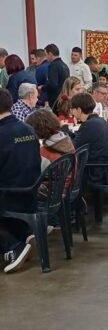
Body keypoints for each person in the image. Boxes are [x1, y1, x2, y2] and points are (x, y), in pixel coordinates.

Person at [0, 87, 41, 273]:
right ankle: (24, 233)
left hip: (10, 193)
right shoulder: (28, 128)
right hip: (31, 190)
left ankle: (12, 246)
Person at [69, 93, 108, 164]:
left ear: (79, 110)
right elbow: (81, 137)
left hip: (92, 168)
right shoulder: (101, 120)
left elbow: (72, 147)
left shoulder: (88, 125)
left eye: (72, 108)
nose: (71, 111)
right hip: (104, 165)